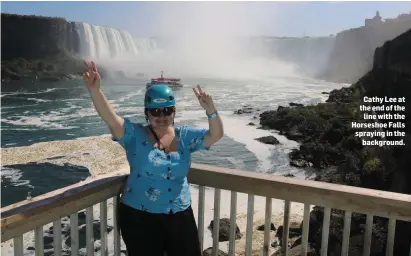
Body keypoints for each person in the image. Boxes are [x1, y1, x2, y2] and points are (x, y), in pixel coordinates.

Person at [82, 61, 224, 256]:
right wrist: (95, 91)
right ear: (147, 113)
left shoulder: (185, 136)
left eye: (167, 110)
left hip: (180, 215)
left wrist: (211, 109)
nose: (162, 116)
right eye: (156, 111)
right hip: (140, 218)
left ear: (174, 112)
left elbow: (215, 135)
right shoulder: (133, 135)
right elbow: (110, 116)